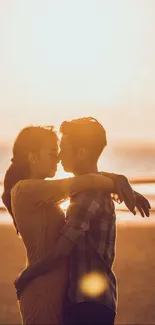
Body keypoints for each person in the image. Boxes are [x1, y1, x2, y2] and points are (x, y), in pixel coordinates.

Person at [12, 118, 151, 325]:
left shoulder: (87, 196)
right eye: (53, 152)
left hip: (86, 302)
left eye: (62, 148)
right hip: (73, 298)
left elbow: (63, 249)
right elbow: (86, 180)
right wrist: (119, 181)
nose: (58, 156)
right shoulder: (31, 190)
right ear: (32, 157)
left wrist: (27, 274)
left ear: (80, 152)